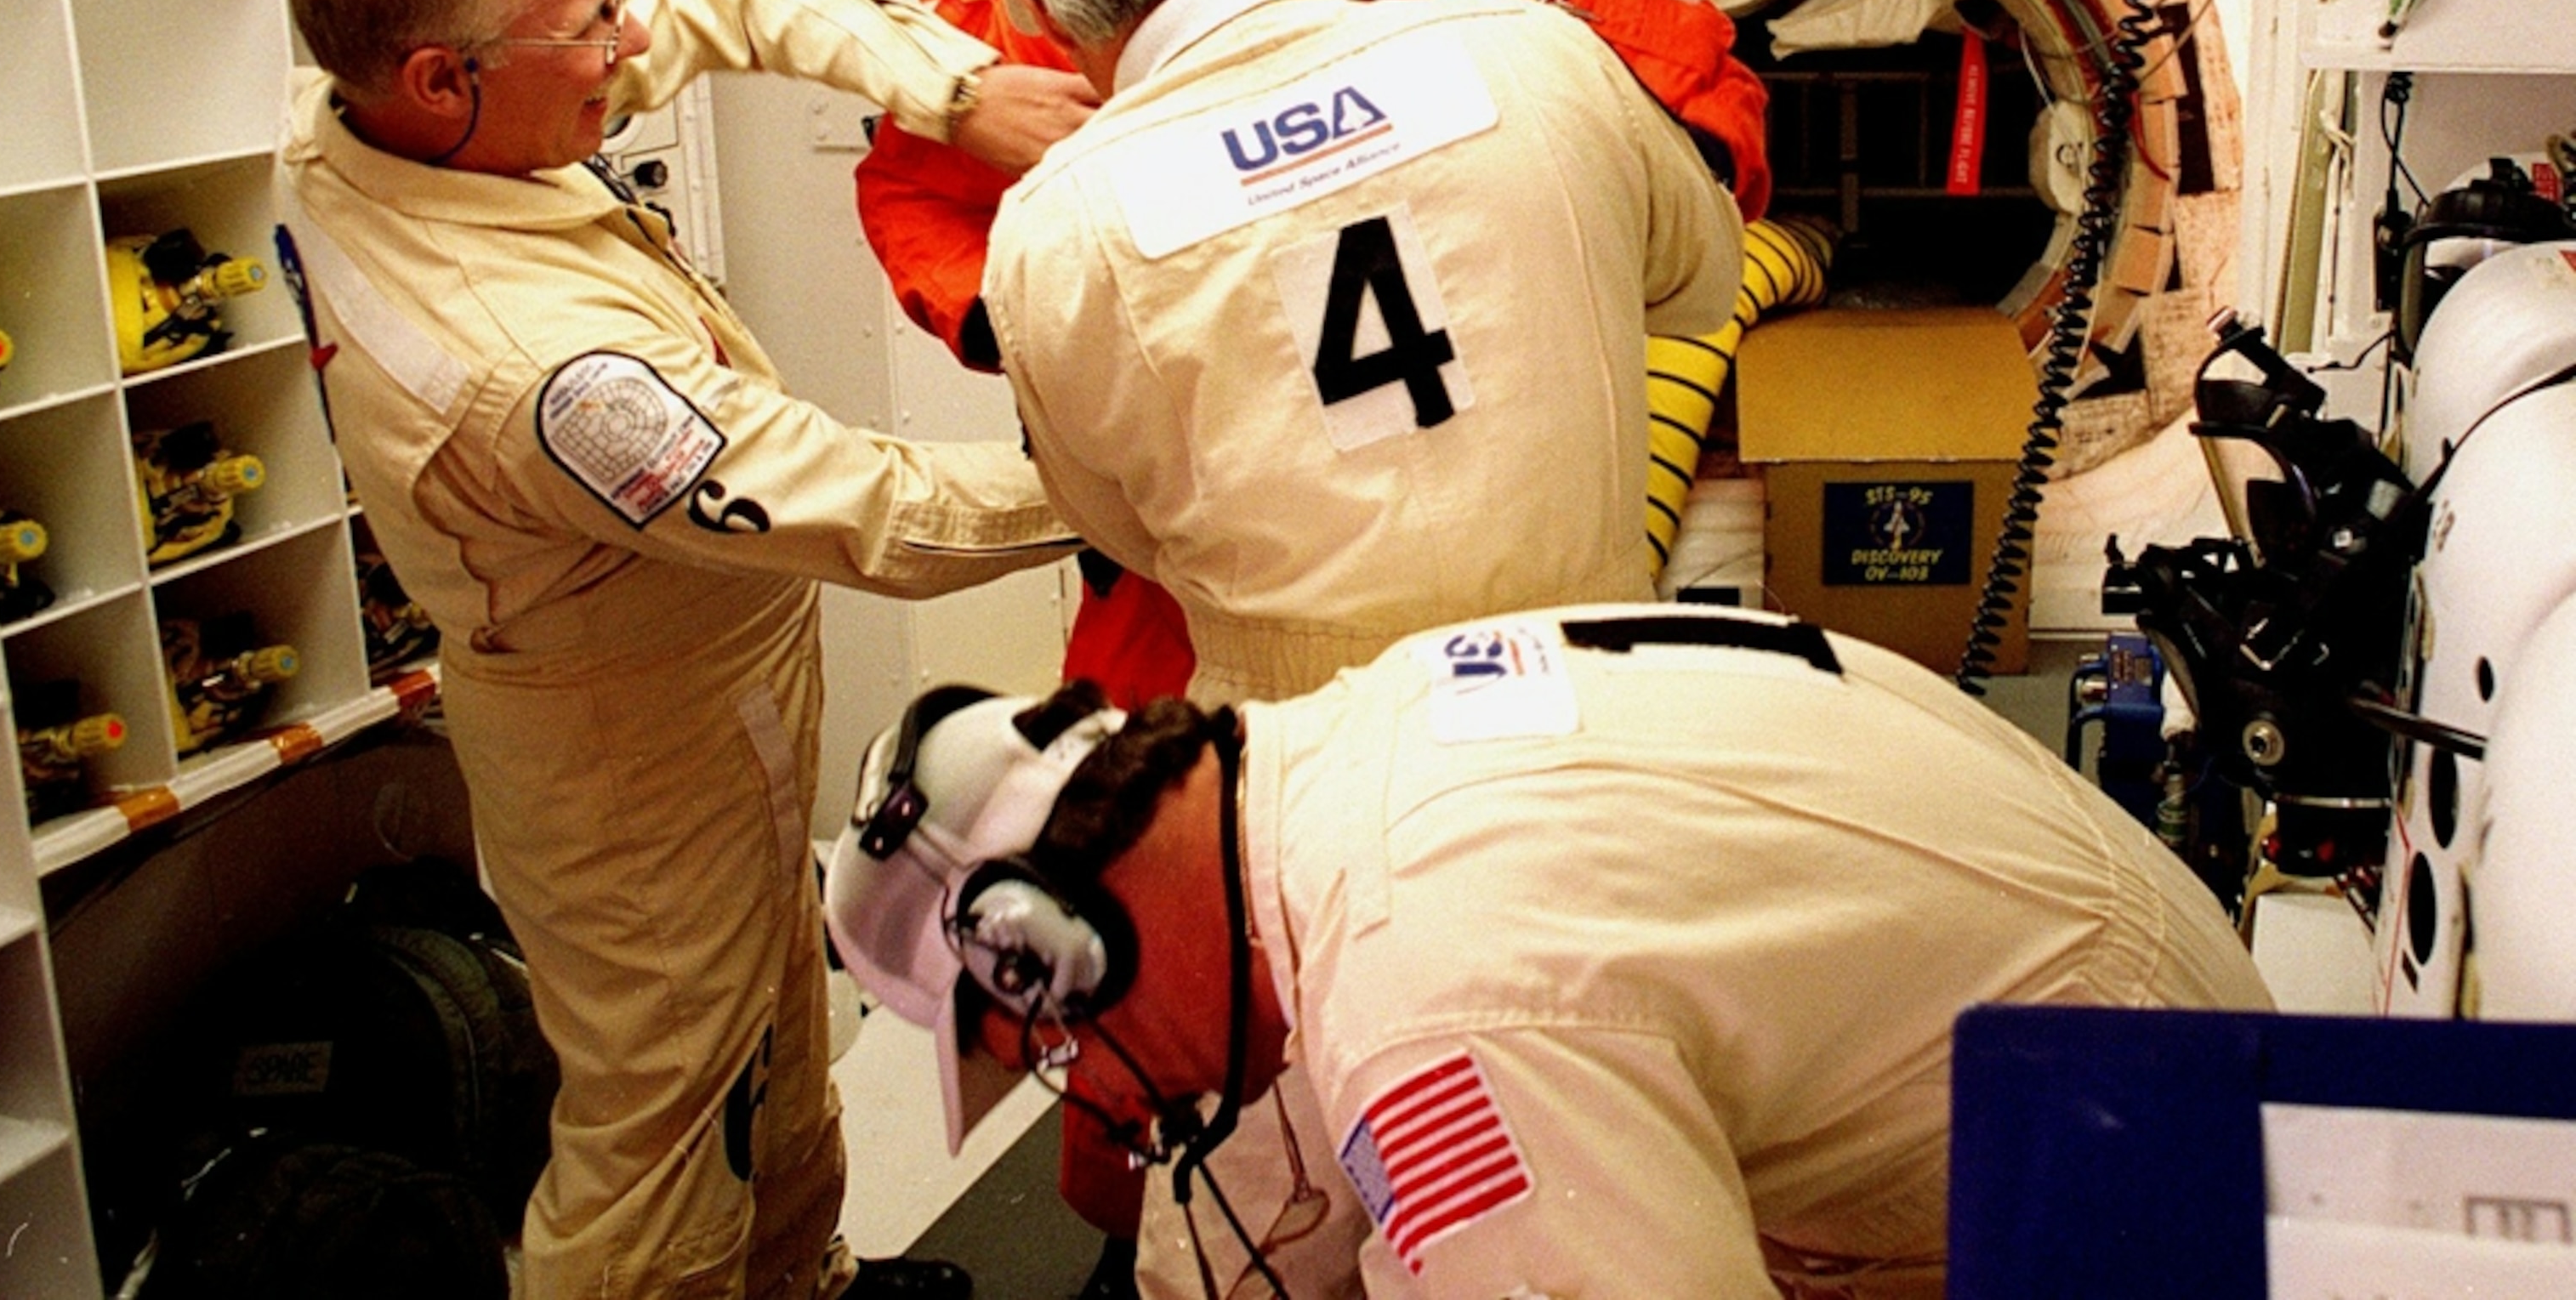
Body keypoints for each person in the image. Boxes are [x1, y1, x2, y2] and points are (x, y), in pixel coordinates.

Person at [947, 0, 1744, 1293]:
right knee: (1591, 1137)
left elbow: (1117, 521)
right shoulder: (1535, 53)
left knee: (1278, 1189)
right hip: (1580, 745)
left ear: (1037, 21)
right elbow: (1696, 278)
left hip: (1299, 803)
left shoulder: (1056, 226)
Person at [274, 0, 1083, 1300]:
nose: (628, 37)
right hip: (622, 744)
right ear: (443, 78)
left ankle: (798, 1281)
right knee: (669, 1123)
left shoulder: (383, 106)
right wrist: (1124, 481)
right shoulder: (528, 367)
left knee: (772, 1023)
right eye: (588, 26)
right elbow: (866, 509)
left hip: (698, 675)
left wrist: (949, 92)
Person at [825, 604, 2275, 1300]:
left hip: (2124, 1178)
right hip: (2105, 998)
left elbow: (1431, 1048)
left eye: (1064, 1057)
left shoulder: (1434, 1002)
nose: (1112, 1112)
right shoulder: (1334, 758)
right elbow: (1287, 1156)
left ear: (1049, 950)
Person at [852, 0, 1771, 712]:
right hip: (1201, 603)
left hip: (1519, 565)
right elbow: (912, 185)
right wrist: (1077, 323)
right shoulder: (1049, 22)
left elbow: (1709, 97)